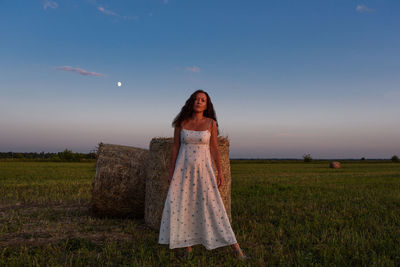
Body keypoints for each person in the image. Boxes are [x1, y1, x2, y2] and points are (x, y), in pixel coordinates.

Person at [158, 89, 247, 261]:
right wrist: (171, 171)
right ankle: (188, 247)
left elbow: (214, 148)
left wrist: (220, 171)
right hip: (182, 171)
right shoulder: (181, 123)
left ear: (207, 105)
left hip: (204, 171)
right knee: (184, 205)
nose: (199, 102)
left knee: (214, 206)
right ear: (191, 102)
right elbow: (175, 147)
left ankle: (235, 247)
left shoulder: (211, 123)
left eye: (203, 100)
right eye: (197, 99)